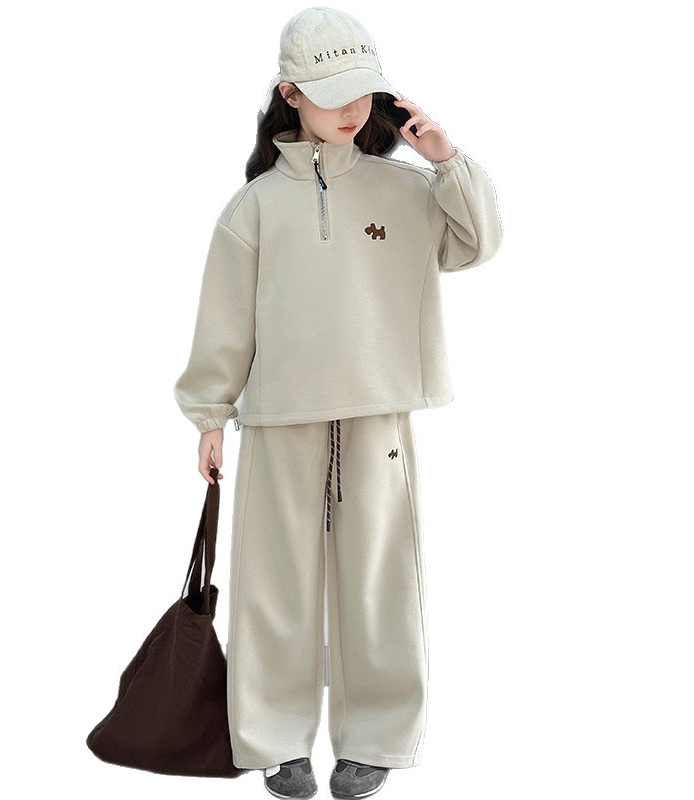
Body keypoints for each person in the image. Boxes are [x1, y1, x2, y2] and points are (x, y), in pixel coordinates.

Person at [173, 6, 503, 798]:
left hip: (378, 411)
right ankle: (274, 739)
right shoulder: (255, 206)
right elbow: (225, 321)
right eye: (332, 93)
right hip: (280, 416)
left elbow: (477, 243)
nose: (353, 108)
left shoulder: (409, 190)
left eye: (364, 90)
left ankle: (378, 739)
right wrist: (210, 415)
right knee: (274, 586)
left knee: (381, 581)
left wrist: (447, 159)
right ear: (291, 94)